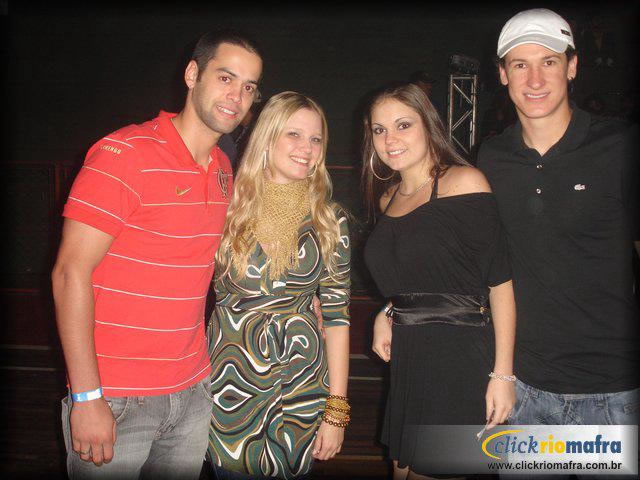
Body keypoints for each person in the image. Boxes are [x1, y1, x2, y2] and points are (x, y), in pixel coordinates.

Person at [51, 30, 263, 479]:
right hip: (117, 397)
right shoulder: (124, 153)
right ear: (192, 74)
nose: (237, 96)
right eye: (226, 78)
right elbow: (70, 273)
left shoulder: (224, 169)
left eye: (249, 87)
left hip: (192, 392)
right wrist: (87, 397)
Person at [478, 8, 639, 432]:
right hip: (524, 386)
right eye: (520, 65)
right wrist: (399, 307)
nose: (535, 80)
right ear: (503, 74)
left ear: (572, 67)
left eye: (548, 62)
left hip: (616, 389)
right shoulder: (492, 158)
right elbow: (476, 255)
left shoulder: (619, 146)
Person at [362, 82, 516, 479]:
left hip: (458, 358)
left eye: (403, 125)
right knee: (402, 471)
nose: (390, 139)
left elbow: (500, 284)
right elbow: (423, 271)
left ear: (429, 125)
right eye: (379, 130)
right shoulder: (388, 198)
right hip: (411, 359)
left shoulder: (465, 182)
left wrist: (503, 375)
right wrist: (388, 310)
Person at [207, 91, 351, 479]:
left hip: (303, 388)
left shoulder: (329, 220)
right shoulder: (224, 208)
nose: (307, 148)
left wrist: (336, 411)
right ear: (267, 138)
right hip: (231, 385)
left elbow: (337, 318)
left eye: (316, 139)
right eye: (294, 134)